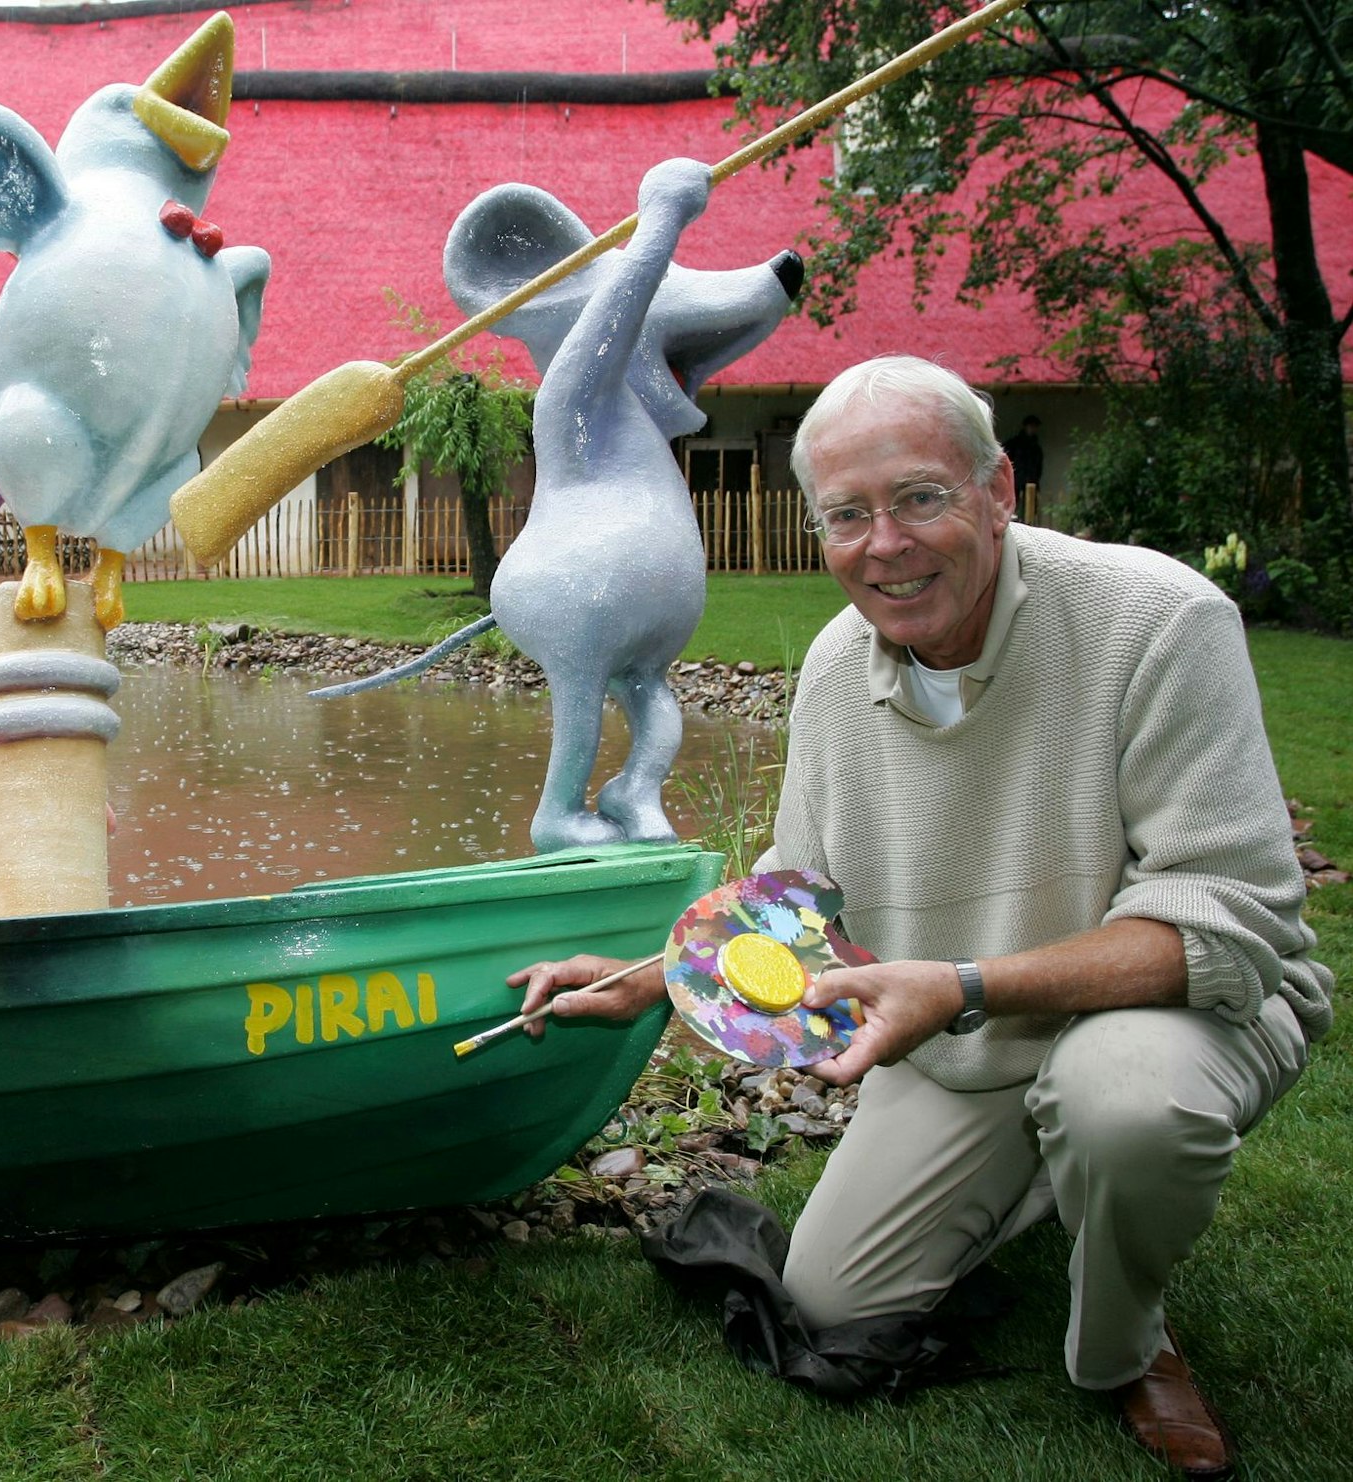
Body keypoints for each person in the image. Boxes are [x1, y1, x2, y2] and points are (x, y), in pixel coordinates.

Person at [510, 355, 1330, 1477]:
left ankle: (1125, 1340)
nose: (883, 544)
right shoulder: (838, 668)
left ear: (997, 489)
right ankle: (1069, 1168)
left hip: (1176, 1000)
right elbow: (798, 888)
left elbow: (1226, 918)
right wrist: (654, 976)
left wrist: (961, 987)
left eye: (920, 498)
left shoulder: (1159, 620)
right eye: (847, 514)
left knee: (1123, 1107)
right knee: (829, 1298)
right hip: (964, 1030)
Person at [1001, 413, 1044, 505]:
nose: (1033, 429)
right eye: (1031, 426)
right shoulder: (1014, 444)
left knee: (1029, 511)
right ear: (1025, 427)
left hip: (1031, 484)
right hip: (1014, 484)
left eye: (1035, 427)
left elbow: (1038, 468)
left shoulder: (1036, 448)